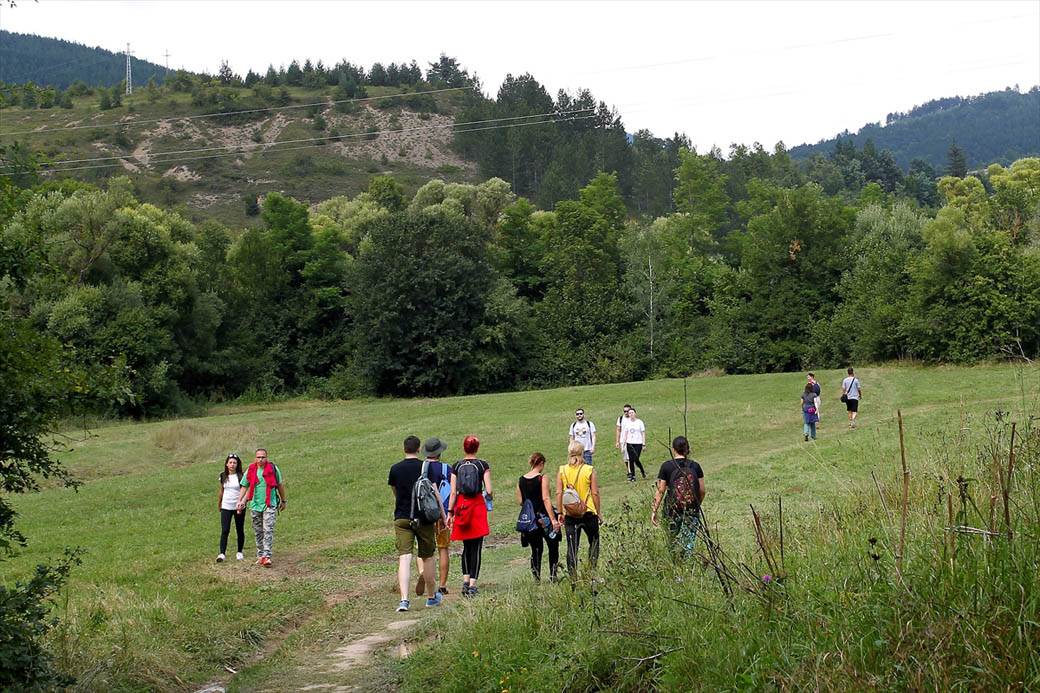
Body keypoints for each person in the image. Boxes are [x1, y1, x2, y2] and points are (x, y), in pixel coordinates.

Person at [388, 436, 443, 612]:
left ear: (404, 449)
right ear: (419, 449)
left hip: (402, 518)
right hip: (423, 518)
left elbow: (395, 492)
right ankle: (431, 597)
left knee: (404, 558)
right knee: (427, 556)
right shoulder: (425, 467)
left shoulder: (395, 469)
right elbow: (435, 493)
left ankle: (404, 600)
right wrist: (442, 515)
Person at [447, 435, 492, 598]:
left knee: (466, 546)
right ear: (477, 448)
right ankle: (473, 584)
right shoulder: (482, 465)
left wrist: (450, 512)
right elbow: (489, 490)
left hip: (462, 505)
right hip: (477, 506)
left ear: (464, 448)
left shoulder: (456, 466)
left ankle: (465, 581)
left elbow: (453, 492)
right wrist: (488, 498)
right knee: (477, 547)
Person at [651, 436, 705, 557]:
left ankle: (675, 562)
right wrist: (696, 505)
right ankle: (687, 561)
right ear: (688, 449)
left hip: (672, 510)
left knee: (671, 540)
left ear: (673, 449)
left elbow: (661, 491)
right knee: (688, 543)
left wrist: (654, 510)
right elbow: (702, 491)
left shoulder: (666, 466)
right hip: (691, 510)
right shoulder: (695, 466)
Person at [556, 441, 601, 578]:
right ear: (582, 453)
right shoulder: (589, 470)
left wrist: (560, 512)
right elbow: (595, 493)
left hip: (570, 514)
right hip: (588, 511)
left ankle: (573, 578)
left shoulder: (562, 470)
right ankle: (592, 572)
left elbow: (559, 493)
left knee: (572, 547)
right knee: (594, 541)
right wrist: (598, 512)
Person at [236, 448, 286, 567]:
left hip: (270, 504)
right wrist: (240, 500)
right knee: (258, 531)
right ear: (255, 458)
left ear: (266, 458)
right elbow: (245, 486)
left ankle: (266, 556)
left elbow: (280, 485)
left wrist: (283, 500)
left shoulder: (273, 469)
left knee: (268, 529)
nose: (261, 459)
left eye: (263, 457)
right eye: (258, 457)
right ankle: (260, 554)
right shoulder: (251, 469)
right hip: (255, 504)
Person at [516, 452, 561, 581]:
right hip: (544, 517)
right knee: (553, 546)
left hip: (531, 520)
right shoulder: (542, 478)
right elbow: (546, 498)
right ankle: (553, 575)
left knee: (536, 549)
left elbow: (520, 501)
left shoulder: (521, 480)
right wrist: (553, 519)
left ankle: (536, 577)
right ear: (541, 463)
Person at [418, 436, 452, 596]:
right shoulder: (446, 468)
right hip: (441, 513)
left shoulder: (421, 468)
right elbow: (453, 490)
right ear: (439, 452)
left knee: (424, 549)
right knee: (443, 548)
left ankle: (423, 573)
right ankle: (442, 585)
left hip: (424, 513)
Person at [216, 453, 245, 563]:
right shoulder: (223, 476)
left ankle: (239, 551)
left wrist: (242, 502)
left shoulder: (241, 476)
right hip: (226, 506)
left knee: (239, 529)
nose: (232, 465)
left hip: (238, 506)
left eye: (234, 463)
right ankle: (222, 553)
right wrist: (219, 503)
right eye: (230, 462)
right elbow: (221, 490)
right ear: (227, 464)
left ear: (237, 464)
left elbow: (244, 489)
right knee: (225, 530)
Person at [619, 407, 647, 481]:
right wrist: (623, 445)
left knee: (636, 458)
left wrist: (644, 444)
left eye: (632, 413)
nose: (631, 414)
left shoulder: (639, 422)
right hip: (630, 443)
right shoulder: (627, 423)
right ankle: (633, 475)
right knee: (631, 460)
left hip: (638, 443)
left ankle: (642, 470)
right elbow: (625, 434)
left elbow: (643, 433)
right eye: (629, 413)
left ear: (635, 413)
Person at [615, 404, 632, 470]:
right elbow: (618, 430)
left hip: (632, 441)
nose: (626, 413)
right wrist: (617, 441)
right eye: (624, 411)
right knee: (625, 458)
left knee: (631, 457)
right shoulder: (620, 419)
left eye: (627, 411)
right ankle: (629, 470)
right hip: (623, 441)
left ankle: (631, 471)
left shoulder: (633, 419)